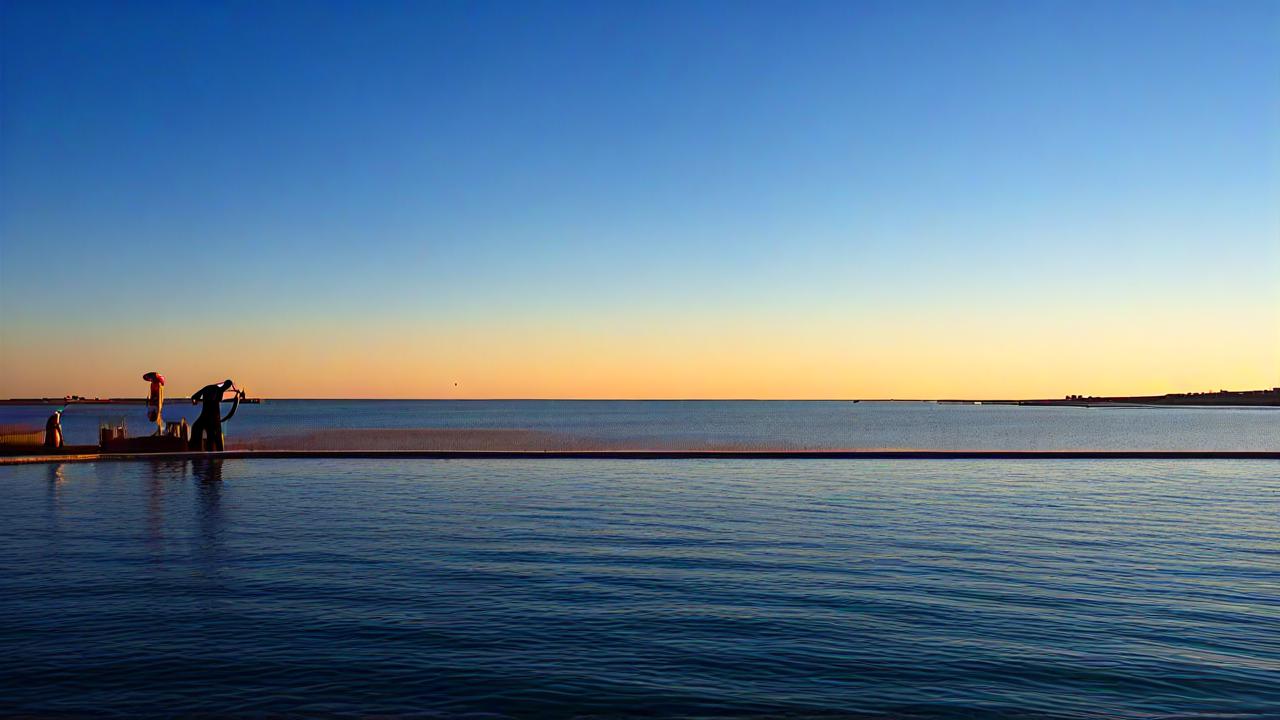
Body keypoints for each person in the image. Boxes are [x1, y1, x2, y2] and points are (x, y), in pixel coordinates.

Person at [190, 379, 235, 451]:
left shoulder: (211, 388)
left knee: (206, 432)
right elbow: (195, 397)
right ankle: (205, 451)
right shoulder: (216, 390)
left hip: (209, 417)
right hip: (211, 418)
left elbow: (194, 397)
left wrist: (194, 401)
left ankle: (203, 451)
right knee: (211, 435)